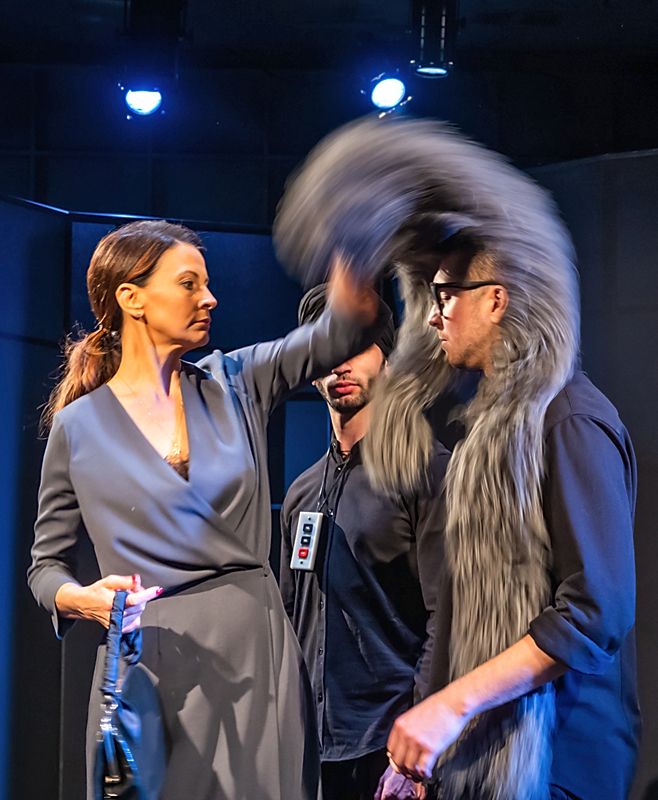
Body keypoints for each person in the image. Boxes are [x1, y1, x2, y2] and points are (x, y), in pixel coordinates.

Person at [271, 116, 640, 800]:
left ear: (496, 300)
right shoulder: (486, 435)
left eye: (445, 297)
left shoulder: (569, 419)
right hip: (490, 761)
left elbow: (596, 613)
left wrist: (448, 706)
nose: (433, 316)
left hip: (562, 764)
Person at [27, 219, 386, 800]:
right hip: (147, 661)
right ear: (132, 298)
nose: (210, 298)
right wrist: (83, 599)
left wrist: (354, 223)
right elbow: (45, 567)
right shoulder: (77, 428)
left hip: (254, 654)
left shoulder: (237, 381)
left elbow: (340, 329)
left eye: (207, 283)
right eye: (189, 283)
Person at [279, 285, 450, 800]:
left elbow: (448, 617)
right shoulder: (301, 493)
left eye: (356, 345)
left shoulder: (425, 472)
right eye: (327, 349)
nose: (341, 363)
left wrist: (419, 749)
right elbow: (290, 619)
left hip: (391, 751)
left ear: (386, 358)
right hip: (309, 748)